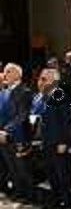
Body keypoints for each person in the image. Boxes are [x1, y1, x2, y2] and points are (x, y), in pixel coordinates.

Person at [31, 68, 71, 209]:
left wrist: (63, 141)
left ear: (54, 81)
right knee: (50, 172)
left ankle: (65, 200)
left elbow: (66, 120)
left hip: (57, 141)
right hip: (46, 140)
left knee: (61, 173)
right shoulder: (43, 96)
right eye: (40, 79)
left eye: (44, 79)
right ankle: (55, 199)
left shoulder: (59, 94)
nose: (40, 82)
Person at [0, 63, 34, 201]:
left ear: (17, 74)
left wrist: (6, 130)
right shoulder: (5, 92)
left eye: (8, 71)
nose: (5, 74)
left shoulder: (24, 91)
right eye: (5, 71)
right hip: (3, 136)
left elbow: (22, 115)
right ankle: (19, 191)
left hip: (19, 136)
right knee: (11, 167)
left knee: (22, 167)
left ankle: (29, 194)